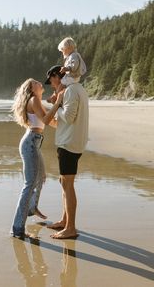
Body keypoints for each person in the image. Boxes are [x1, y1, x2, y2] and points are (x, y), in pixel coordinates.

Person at [10, 78, 63, 238]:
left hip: (34, 142)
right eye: (37, 83)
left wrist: (65, 123)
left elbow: (51, 122)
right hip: (31, 142)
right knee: (29, 184)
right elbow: (48, 120)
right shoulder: (34, 100)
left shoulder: (36, 100)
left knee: (41, 177)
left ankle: (32, 207)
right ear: (32, 89)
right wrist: (59, 101)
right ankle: (17, 228)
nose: (41, 83)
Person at [44, 65, 89, 239]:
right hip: (74, 142)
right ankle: (65, 220)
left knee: (68, 186)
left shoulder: (70, 91)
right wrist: (58, 101)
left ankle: (70, 228)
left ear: (58, 76)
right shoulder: (79, 89)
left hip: (68, 144)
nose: (52, 85)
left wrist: (58, 104)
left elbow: (69, 117)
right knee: (64, 183)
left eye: (52, 80)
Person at [46, 37, 86, 103]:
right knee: (63, 85)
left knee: (61, 84)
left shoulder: (74, 55)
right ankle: (58, 97)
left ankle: (54, 96)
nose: (63, 53)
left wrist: (67, 68)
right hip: (73, 77)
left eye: (63, 50)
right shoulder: (73, 56)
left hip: (72, 77)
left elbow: (74, 65)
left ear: (69, 48)